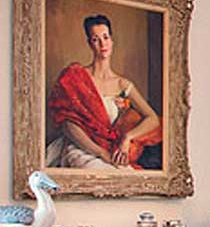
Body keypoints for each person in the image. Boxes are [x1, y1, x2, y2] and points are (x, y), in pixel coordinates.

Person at [45, 14, 162, 170]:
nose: (102, 44)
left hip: (111, 150)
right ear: (89, 43)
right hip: (82, 149)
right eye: (95, 39)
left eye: (105, 37)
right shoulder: (75, 77)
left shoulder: (123, 84)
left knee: (128, 177)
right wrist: (100, 153)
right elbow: (68, 125)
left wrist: (128, 137)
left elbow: (152, 119)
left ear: (112, 41)